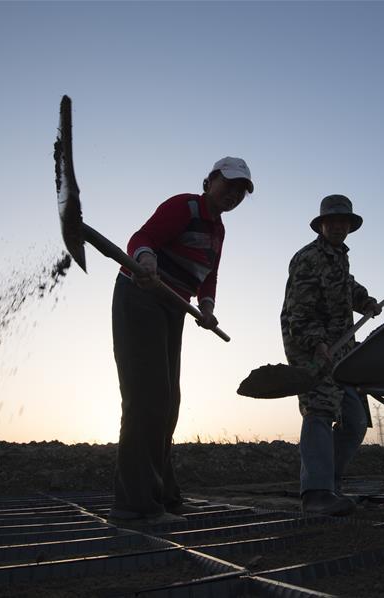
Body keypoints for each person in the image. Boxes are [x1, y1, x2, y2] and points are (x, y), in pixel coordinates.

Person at [109, 157, 254, 524]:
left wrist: (207, 307)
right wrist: (145, 259)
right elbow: (143, 238)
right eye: (229, 184)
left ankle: (165, 496)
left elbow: (209, 277)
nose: (233, 194)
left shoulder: (218, 232)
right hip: (141, 295)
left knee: (169, 401)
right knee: (147, 397)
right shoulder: (185, 206)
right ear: (210, 181)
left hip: (175, 307)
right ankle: (135, 505)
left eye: (241, 191)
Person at [280, 194, 382, 516]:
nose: (339, 227)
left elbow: (345, 286)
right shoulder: (307, 258)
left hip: (342, 350)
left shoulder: (339, 257)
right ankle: (316, 494)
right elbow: (299, 311)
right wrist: (316, 344)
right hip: (311, 348)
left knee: (355, 421)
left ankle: (331, 483)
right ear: (321, 224)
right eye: (333, 221)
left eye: (344, 222)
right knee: (320, 410)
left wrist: (364, 301)